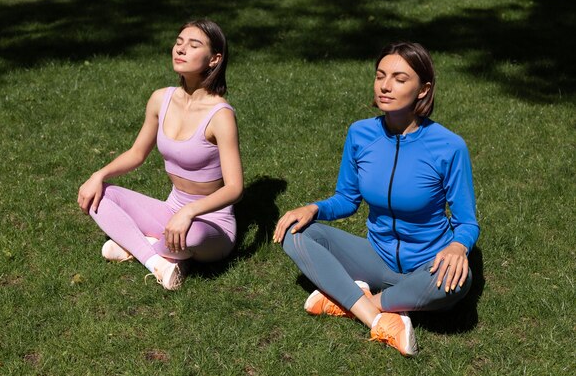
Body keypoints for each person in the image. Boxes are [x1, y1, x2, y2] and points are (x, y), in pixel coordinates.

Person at [273, 42, 479, 356]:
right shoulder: (360, 134)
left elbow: (466, 222)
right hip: (375, 255)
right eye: (380, 75)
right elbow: (347, 198)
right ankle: (381, 319)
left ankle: (353, 300)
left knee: (456, 283)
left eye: (399, 78)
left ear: (423, 89)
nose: (385, 85)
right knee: (296, 233)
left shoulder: (449, 147)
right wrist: (314, 207)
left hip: (427, 265)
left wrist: (457, 246)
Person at [78, 19, 243, 290]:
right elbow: (136, 153)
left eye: (193, 45)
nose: (180, 50)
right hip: (171, 210)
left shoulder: (221, 115)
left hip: (211, 223)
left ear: (214, 59)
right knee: (99, 195)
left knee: (192, 235)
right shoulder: (160, 99)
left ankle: (140, 245)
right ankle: (158, 261)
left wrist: (189, 212)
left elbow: (235, 188)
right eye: (178, 43)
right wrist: (99, 174)